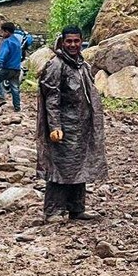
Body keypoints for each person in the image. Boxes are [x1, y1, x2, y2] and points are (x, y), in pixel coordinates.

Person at [36, 26, 108, 221]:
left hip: (81, 127)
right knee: (60, 167)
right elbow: (52, 98)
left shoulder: (81, 65)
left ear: (81, 41)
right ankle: (53, 211)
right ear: (62, 42)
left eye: (76, 41)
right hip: (64, 127)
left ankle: (77, 209)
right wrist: (55, 126)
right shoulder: (56, 65)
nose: (73, 45)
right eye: (69, 41)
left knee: (80, 165)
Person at [0, 21, 22, 112]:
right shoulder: (17, 42)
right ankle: (17, 107)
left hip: (7, 68)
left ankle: (2, 98)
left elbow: (2, 54)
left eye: (2, 32)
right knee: (15, 88)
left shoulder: (7, 42)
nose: (2, 34)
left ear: (7, 32)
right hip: (17, 68)